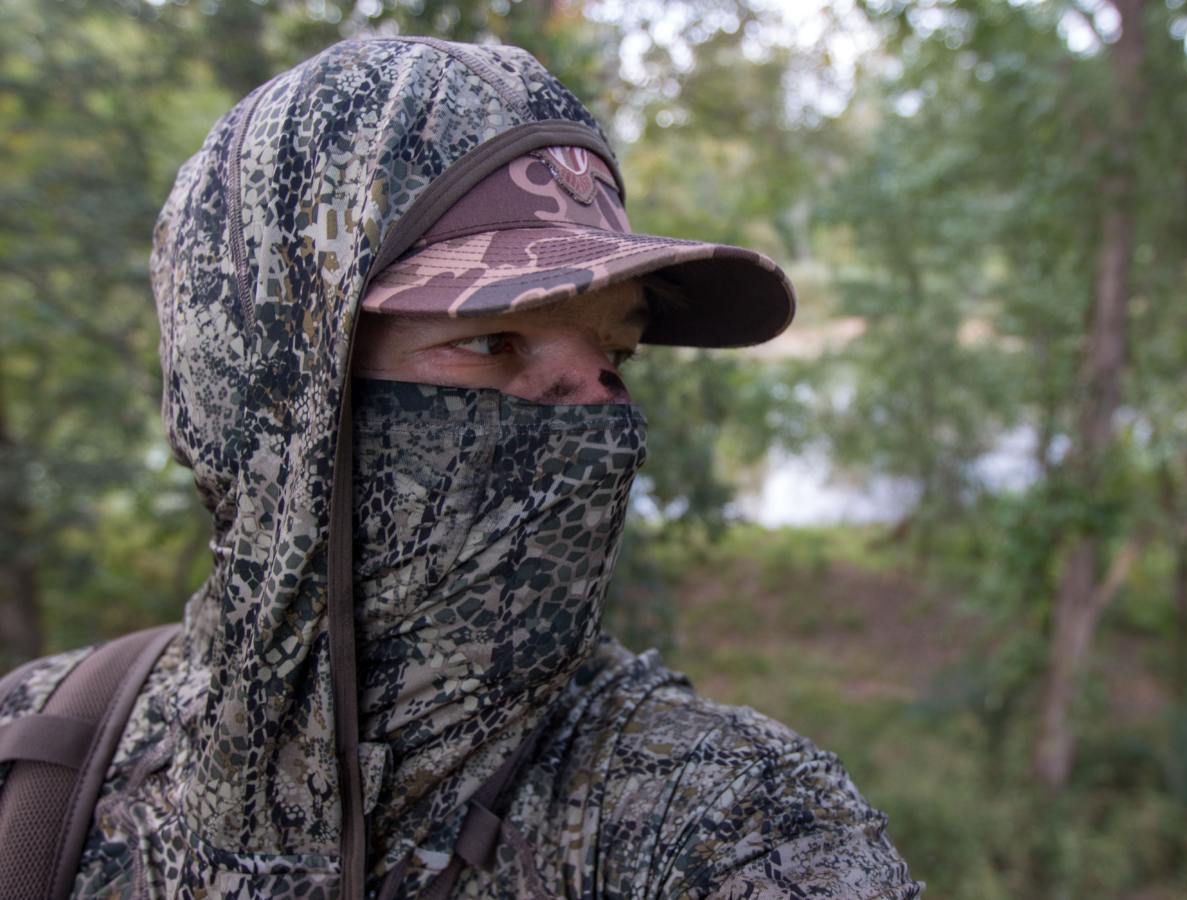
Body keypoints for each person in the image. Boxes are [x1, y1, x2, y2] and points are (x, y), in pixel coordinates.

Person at [0, 38, 923, 899]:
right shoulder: (38, 751)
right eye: (491, 340)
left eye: (616, 353)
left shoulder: (723, 821)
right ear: (268, 388)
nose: (599, 403)